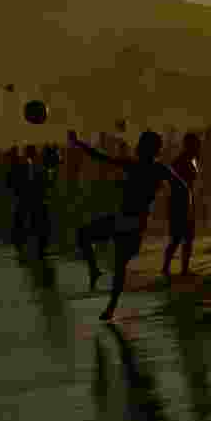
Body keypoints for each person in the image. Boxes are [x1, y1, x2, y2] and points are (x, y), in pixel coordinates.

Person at [68, 129, 188, 321]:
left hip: (134, 223)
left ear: (148, 148)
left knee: (118, 263)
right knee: (84, 236)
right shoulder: (149, 167)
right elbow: (182, 187)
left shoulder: (153, 168)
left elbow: (181, 187)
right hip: (123, 218)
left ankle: (110, 305)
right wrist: (79, 144)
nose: (138, 147)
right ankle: (95, 271)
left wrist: (180, 210)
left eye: (141, 144)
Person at [162, 132, 201, 277]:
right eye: (196, 144)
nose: (198, 146)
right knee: (177, 237)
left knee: (188, 237)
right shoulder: (179, 161)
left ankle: (184, 268)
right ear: (189, 145)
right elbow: (172, 184)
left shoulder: (193, 160)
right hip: (179, 203)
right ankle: (166, 266)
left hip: (188, 202)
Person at [7, 145, 54, 259]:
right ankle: (30, 247)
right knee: (33, 222)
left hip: (34, 199)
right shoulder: (29, 166)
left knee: (36, 222)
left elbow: (45, 182)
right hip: (30, 198)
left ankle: (36, 248)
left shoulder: (37, 166)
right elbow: (12, 181)